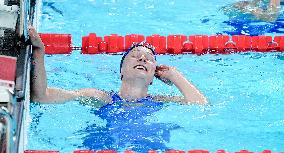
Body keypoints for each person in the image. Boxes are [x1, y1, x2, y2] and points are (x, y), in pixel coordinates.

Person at [28, 26, 208, 105]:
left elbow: (201, 105)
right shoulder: (100, 98)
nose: (143, 59)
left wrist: (175, 76)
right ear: (121, 71)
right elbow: (42, 96)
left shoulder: (160, 102)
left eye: (149, 59)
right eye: (136, 56)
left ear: (154, 76)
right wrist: (39, 52)